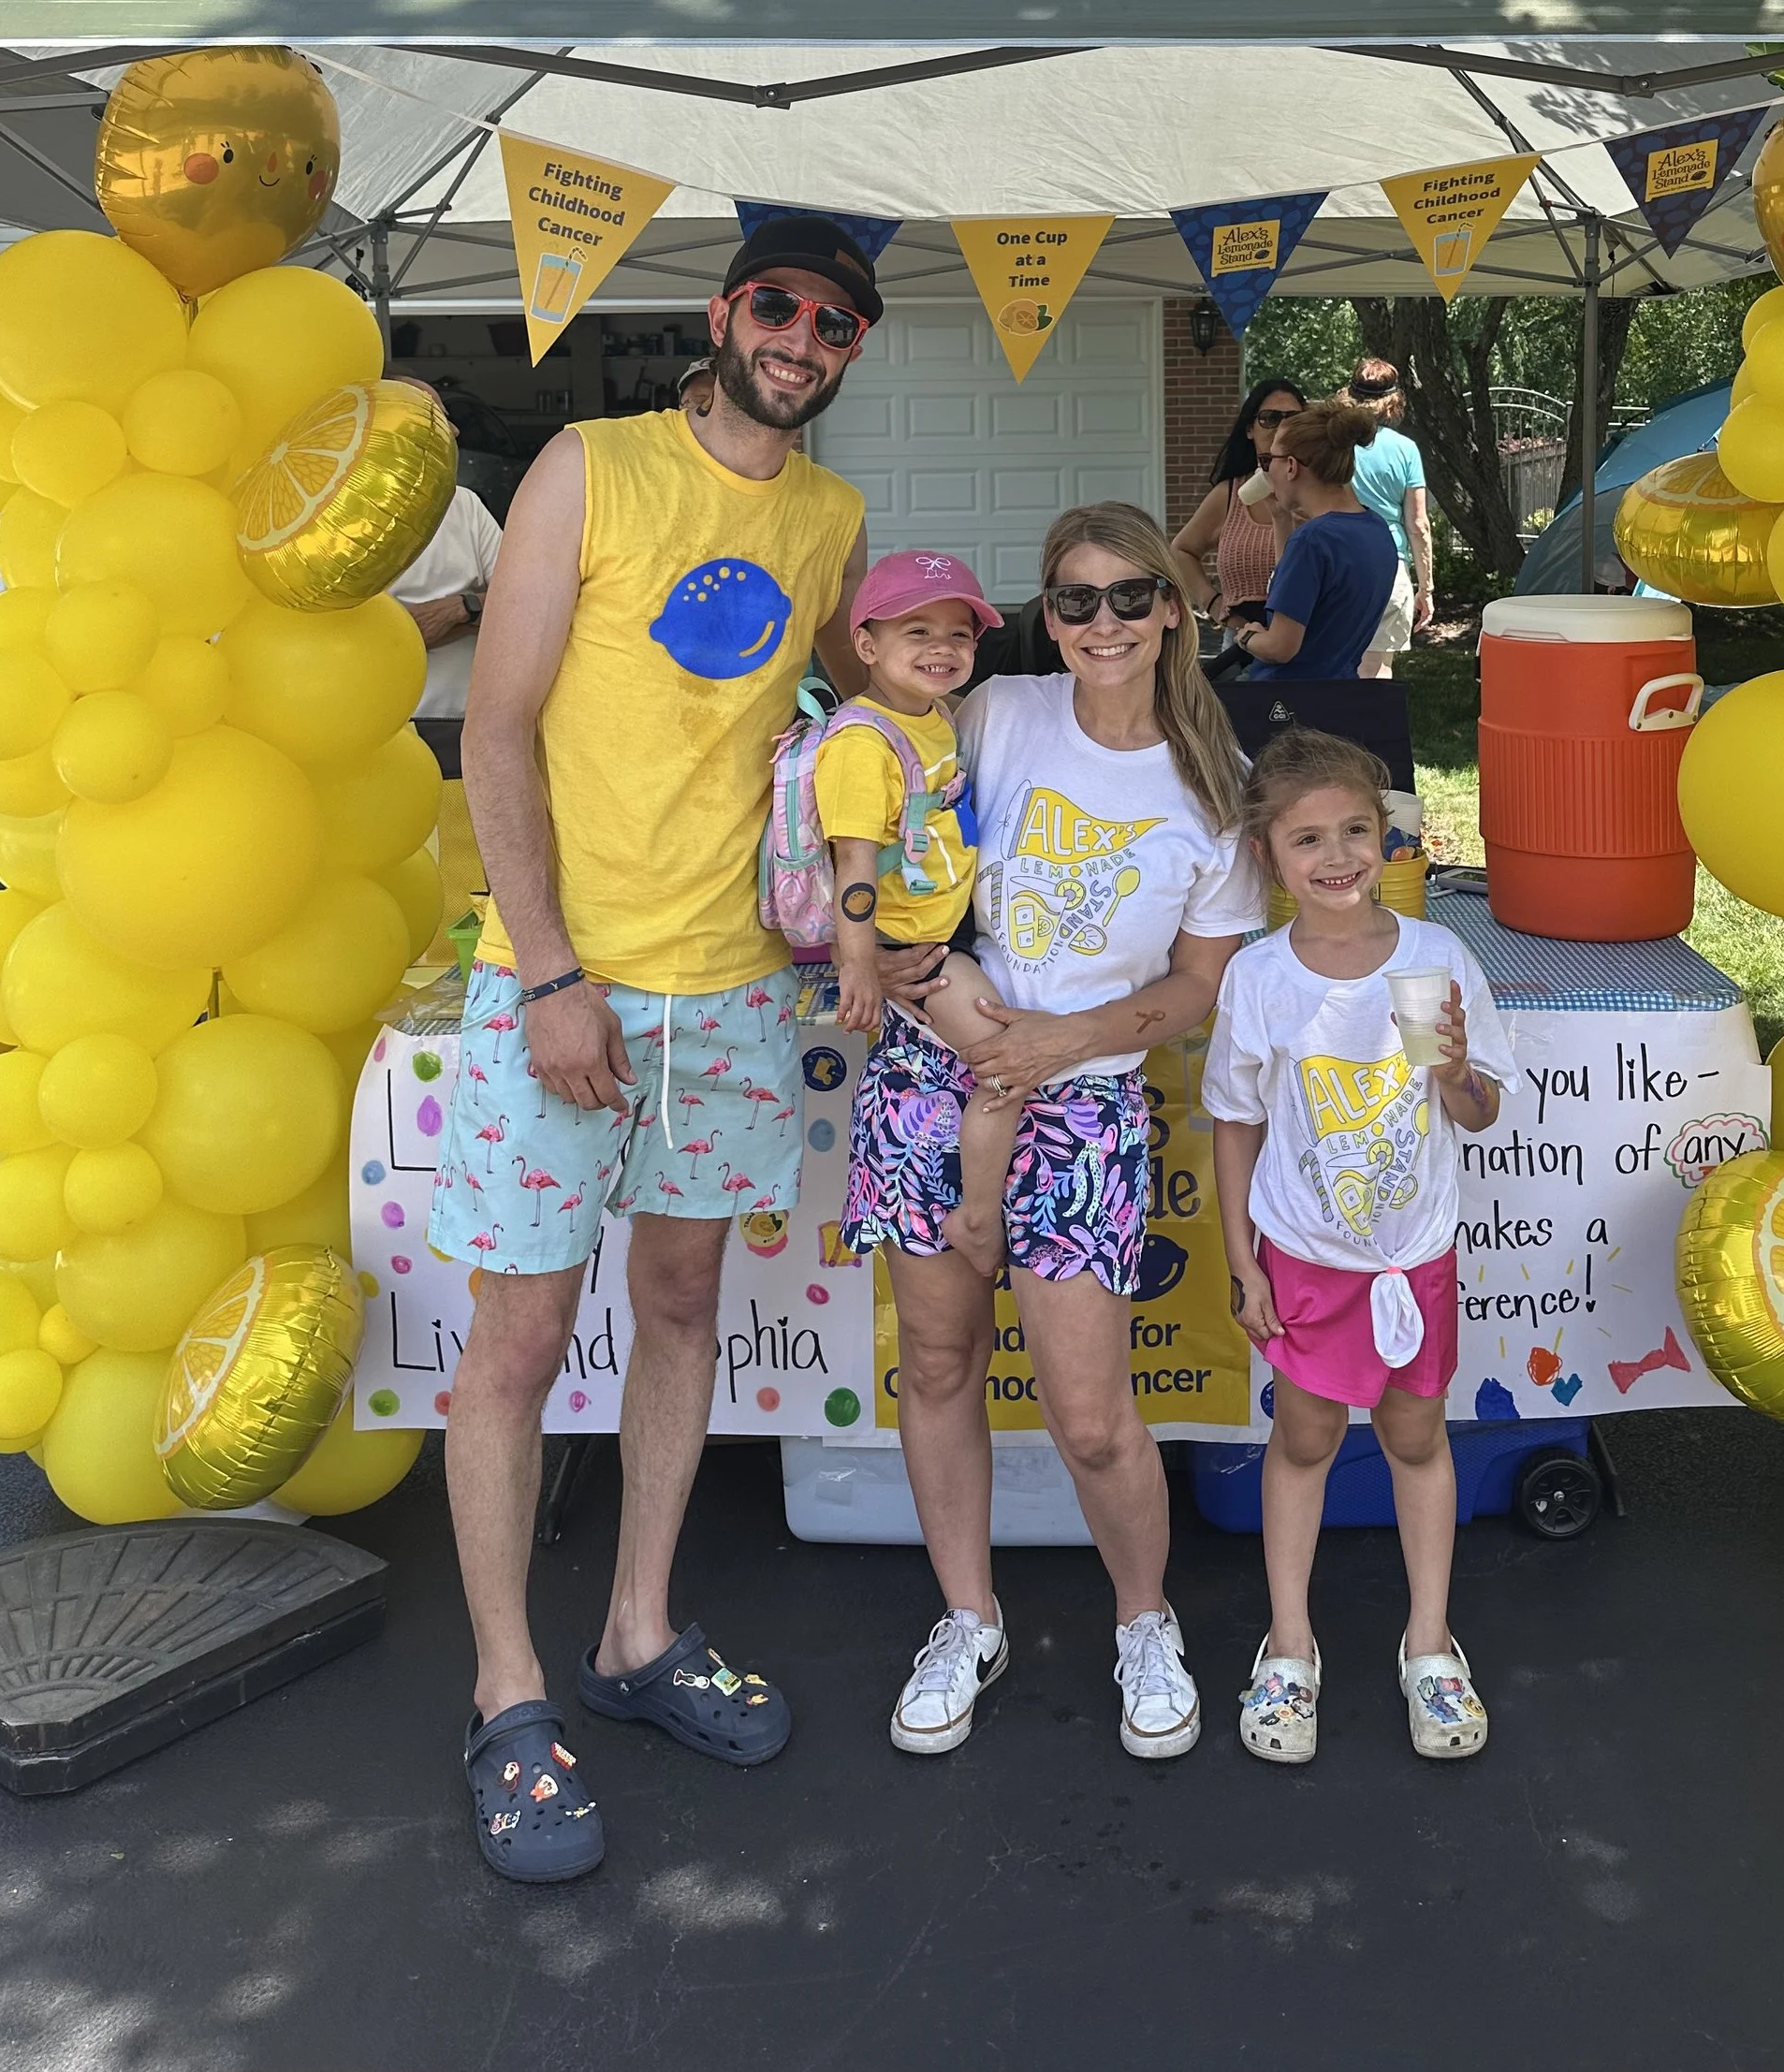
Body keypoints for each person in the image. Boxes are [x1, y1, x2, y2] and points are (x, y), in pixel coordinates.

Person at [438, 212, 931, 1885]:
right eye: (779, 305)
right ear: (725, 314)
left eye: (835, 323)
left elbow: (840, 733)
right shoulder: (585, 463)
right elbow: (493, 727)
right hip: (562, 983)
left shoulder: (832, 516)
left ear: (850, 352)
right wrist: (555, 970)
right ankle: (509, 1692)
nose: (802, 337)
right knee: (514, 1340)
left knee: (677, 1305)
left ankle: (636, 1632)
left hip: (731, 993)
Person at [841, 503, 1262, 1761]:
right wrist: (938, 993)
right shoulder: (992, 713)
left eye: (1129, 595)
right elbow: (899, 853)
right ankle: (968, 1615)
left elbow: (1198, 988)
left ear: (1175, 607)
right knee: (937, 1362)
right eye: (1073, 600)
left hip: (1084, 1104)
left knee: (1089, 1412)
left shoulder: (1215, 786)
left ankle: (1145, 1617)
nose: (1102, 622)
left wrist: (1057, 1044)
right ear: (1048, 616)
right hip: (931, 1070)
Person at [1206, 728, 1513, 1767]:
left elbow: (1473, 1114)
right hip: (1303, 1258)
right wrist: (1244, 1261)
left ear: (1385, 839)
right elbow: (1236, 1122)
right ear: (1270, 858)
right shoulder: (1257, 979)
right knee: (1302, 1441)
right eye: (1306, 841)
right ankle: (1288, 1643)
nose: (1335, 857)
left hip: (1411, 1257)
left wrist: (1458, 1074)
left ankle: (1429, 1641)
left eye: (1353, 832)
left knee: (1416, 1438)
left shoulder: (1435, 960)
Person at [804, 549, 1019, 1276]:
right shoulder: (864, 743)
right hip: (914, 947)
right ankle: (977, 1217)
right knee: (1002, 1066)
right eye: (916, 631)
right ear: (865, 644)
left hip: (947, 928)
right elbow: (855, 867)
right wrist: (858, 964)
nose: (942, 648)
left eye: (958, 634)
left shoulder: (932, 716)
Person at [1240, 402, 1398, 680]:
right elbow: (1297, 592)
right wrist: (1281, 520)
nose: (1265, 471)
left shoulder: (1312, 541)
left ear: (1291, 467)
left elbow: (1280, 647)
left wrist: (1247, 637)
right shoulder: (1376, 529)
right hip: (1338, 695)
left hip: (1287, 703)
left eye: (1268, 461)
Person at [1170, 377, 1305, 626]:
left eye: (1293, 419)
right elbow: (1181, 550)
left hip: (1309, 644)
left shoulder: (1318, 491)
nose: (1282, 428)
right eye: (1270, 418)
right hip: (1241, 645)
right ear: (1250, 428)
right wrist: (1212, 603)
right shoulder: (1230, 494)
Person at [389, 477, 504, 748]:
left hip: (474, 725)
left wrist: (459, 609)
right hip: (390, 733)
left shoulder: (463, 503)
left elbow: (525, 604)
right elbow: (374, 640)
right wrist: (480, 612)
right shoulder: (337, 519)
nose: (454, 432)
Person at [1344, 359, 1434, 677]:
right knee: (1377, 670)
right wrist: (1426, 588)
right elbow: (1418, 525)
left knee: (1332, 665)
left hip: (1336, 563)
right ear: (1393, 403)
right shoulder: (1406, 450)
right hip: (1388, 564)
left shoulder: (1334, 445)